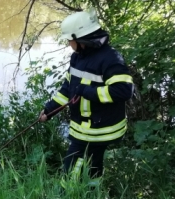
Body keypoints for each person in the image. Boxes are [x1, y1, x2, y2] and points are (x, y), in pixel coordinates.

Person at [39, 10, 134, 181]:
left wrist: (87, 91)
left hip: (98, 129)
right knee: (93, 165)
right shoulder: (77, 58)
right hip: (84, 127)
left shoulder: (110, 59)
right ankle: (92, 195)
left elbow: (124, 90)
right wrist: (49, 110)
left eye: (70, 40)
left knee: (72, 167)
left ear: (80, 39)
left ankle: (66, 198)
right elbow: (68, 89)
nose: (69, 43)